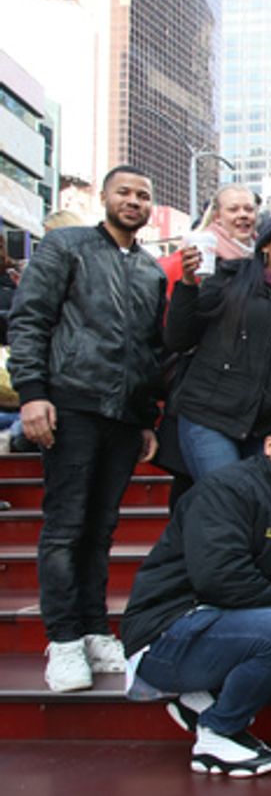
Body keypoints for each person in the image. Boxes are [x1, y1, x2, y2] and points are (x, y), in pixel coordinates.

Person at [9, 165, 166, 693]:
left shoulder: (149, 270)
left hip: (123, 416)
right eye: (124, 191)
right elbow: (31, 319)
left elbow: (149, 349)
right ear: (104, 197)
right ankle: (64, 639)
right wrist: (33, 393)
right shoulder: (67, 247)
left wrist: (145, 418)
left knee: (101, 528)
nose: (134, 200)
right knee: (66, 526)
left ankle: (97, 629)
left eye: (142, 194)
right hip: (70, 404)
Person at [121, 412, 271, 776]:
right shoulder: (227, 489)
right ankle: (218, 732)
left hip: (225, 628)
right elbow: (217, 577)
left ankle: (201, 703)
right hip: (167, 633)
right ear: (270, 446)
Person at [165, 213, 271, 481]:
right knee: (229, 495)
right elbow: (179, 338)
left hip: (265, 428)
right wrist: (188, 284)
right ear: (266, 246)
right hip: (209, 416)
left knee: (257, 506)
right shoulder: (229, 278)